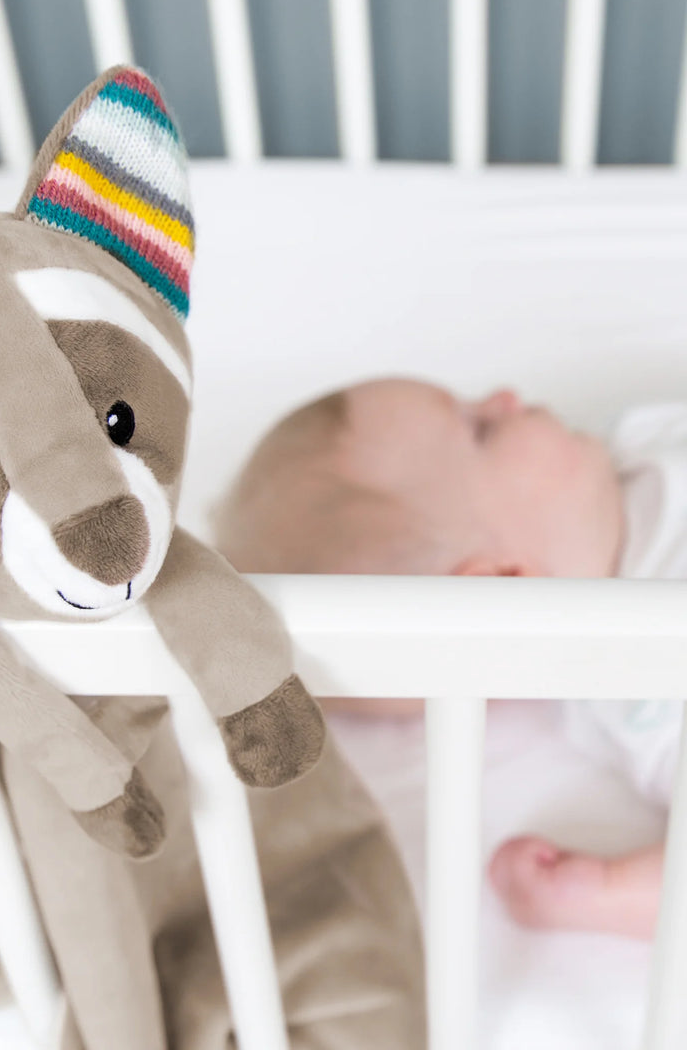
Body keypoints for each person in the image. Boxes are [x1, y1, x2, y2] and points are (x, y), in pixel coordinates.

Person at [214, 377, 682, 939]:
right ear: (500, 583)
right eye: (482, 429)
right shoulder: (645, 691)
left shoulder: (636, 442)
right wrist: (609, 890)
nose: (506, 396)